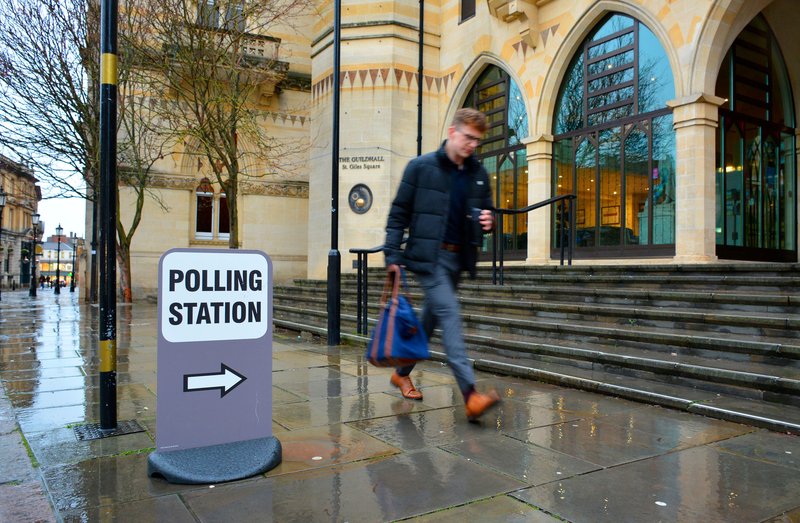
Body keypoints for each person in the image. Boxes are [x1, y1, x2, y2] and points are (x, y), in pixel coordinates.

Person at [384, 107, 500, 421]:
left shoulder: (478, 174)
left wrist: (489, 221)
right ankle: (470, 395)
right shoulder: (420, 167)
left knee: (429, 320)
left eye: (477, 141)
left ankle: (401, 373)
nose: (472, 145)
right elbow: (398, 215)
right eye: (467, 138)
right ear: (452, 132)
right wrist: (392, 256)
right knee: (449, 313)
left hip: (457, 259)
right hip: (428, 258)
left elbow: (487, 212)